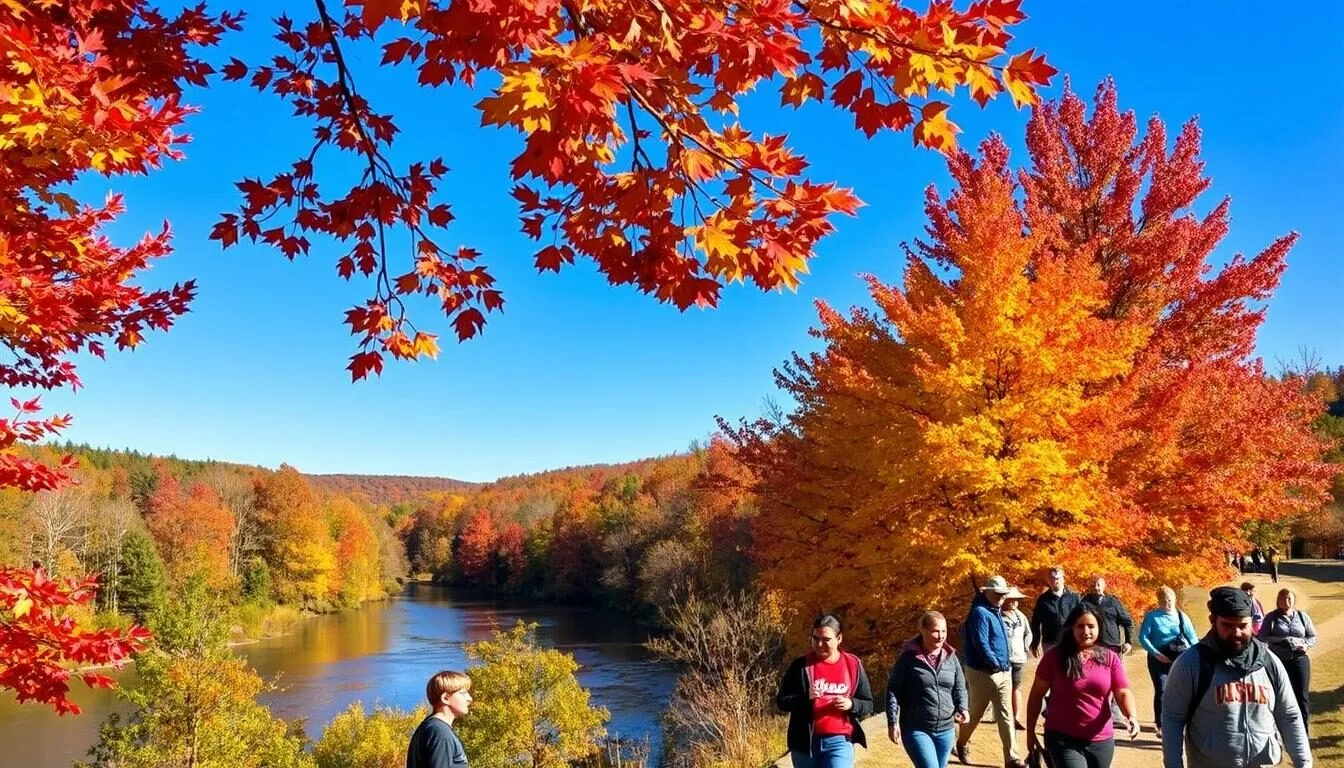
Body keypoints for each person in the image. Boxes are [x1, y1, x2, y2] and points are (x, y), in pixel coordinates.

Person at [1160, 586, 1312, 768]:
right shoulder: (1192, 663)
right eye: (1227, 625)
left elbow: (1289, 715)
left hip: (1263, 764)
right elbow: (1173, 717)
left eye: (1243, 626)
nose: (1237, 633)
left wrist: (1304, 763)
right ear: (1212, 621)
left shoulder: (1269, 662)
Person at [1025, 603, 1140, 768]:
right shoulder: (1054, 657)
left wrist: (1132, 717)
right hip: (1063, 738)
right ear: (1071, 628)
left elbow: (1122, 692)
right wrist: (1030, 732)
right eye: (1080, 626)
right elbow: (1036, 694)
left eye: (1091, 626)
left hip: (1101, 740)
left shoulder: (1110, 658)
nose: (1086, 632)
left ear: (1099, 628)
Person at [777, 615, 874, 768]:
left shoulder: (853, 665)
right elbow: (782, 702)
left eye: (826, 639)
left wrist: (851, 704)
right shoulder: (800, 666)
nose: (819, 644)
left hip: (840, 742)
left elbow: (868, 704)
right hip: (805, 743)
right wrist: (805, 698)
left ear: (839, 638)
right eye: (815, 639)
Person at [955, 575, 1024, 768]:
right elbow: (981, 643)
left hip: (1002, 671)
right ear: (987, 592)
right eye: (998, 594)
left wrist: (1004, 664)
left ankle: (1012, 758)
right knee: (975, 714)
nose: (1002, 597)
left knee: (1006, 714)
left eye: (1004, 594)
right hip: (983, 672)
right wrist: (994, 663)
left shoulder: (995, 610)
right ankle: (961, 743)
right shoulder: (980, 612)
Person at [886, 611, 970, 768]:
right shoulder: (908, 658)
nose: (940, 636)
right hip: (916, 728)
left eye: (943, 631)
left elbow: (959, 687)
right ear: (922, 631)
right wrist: (892, 722)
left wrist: (963, 708)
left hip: (946, 729)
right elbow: (893, 690)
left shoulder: (950, 657)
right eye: (935, 631)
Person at [1138, 586, 1199, 738]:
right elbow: (1143, 638)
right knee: (1162, 689)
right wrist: (1156, 653)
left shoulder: (1182, 617)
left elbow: (1193, 639)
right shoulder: (1152, 617)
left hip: (1179, 657)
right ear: (1159, 602)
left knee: (1183, 691)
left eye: (1170, 600)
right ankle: (1160, 724)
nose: (1168, 604)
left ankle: (1183, 722)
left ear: (1175, 599)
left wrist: (1198, 655)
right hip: (1158, 658)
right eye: (1164, 601)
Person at [1258, 588, 1317, 732]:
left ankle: (1303, 729)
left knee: (1302, 695)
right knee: (1280, 695)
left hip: (1299, 659)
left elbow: (1312, 636)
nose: (1287, 601)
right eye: (1284, 598)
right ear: (1278, 600)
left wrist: (1305, 645)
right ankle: (1279, 729)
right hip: (1279, 661)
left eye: (1290, 598)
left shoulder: (1302, 617)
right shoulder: (1271, 618)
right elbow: (1262, 638)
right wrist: (1282, 640)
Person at [1081, 576, 1135, 727]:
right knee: (1095, 680)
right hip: (1093, 647)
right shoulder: (1085, 602)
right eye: (1094, 585)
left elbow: (1127, 622)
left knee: (1117, 681)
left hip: (1113, 647)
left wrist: (1129, 642)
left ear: (1104, 586)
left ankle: (1117, 715)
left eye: (1099, 585)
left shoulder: (1113, 601)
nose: (1096, 587)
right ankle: (1095, 712)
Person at [407, 670, 473, 768]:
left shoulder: (432, 727)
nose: (469, 698)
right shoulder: (440, 733)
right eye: (463, 693)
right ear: (445, 698)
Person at [1000, 587, 1032, 731]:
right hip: (1003, 659)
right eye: (1010, 599)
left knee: (1016, 687)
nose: (1013, 603)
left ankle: (1016, 717)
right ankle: (999, 715)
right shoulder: (998, 615)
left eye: (1015, 600)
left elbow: (1028, 634)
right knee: (1002, 688)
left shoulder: (1021, 616)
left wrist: (1025, 647)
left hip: (1018, 658)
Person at [1031, 567, 1080, 656]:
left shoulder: (1074, 597)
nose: (1054, 581)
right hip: (1050, 642)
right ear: (1048, 580)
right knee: (1052, 668)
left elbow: (1081, 619)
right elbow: (1035, 622)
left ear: (1063, 579)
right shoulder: (1043, 599)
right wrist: (1035, 641)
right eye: (1051, 578)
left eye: (1057, 578)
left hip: (1071, 641)